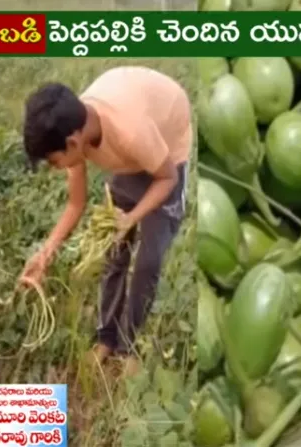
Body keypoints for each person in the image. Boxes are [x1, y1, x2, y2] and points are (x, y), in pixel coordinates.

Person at [19, 66, 192, 375]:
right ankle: (106, 339)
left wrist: (133, 218)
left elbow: (166, 178)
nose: (55, 168)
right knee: (114, 252)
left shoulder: (130, 131)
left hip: (167, 149)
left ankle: (128, 346)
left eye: (54, 161)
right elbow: (75, 203)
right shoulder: (75, 129)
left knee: (148, 262)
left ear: (73, 142)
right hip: (133, 151)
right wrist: (45, 255)